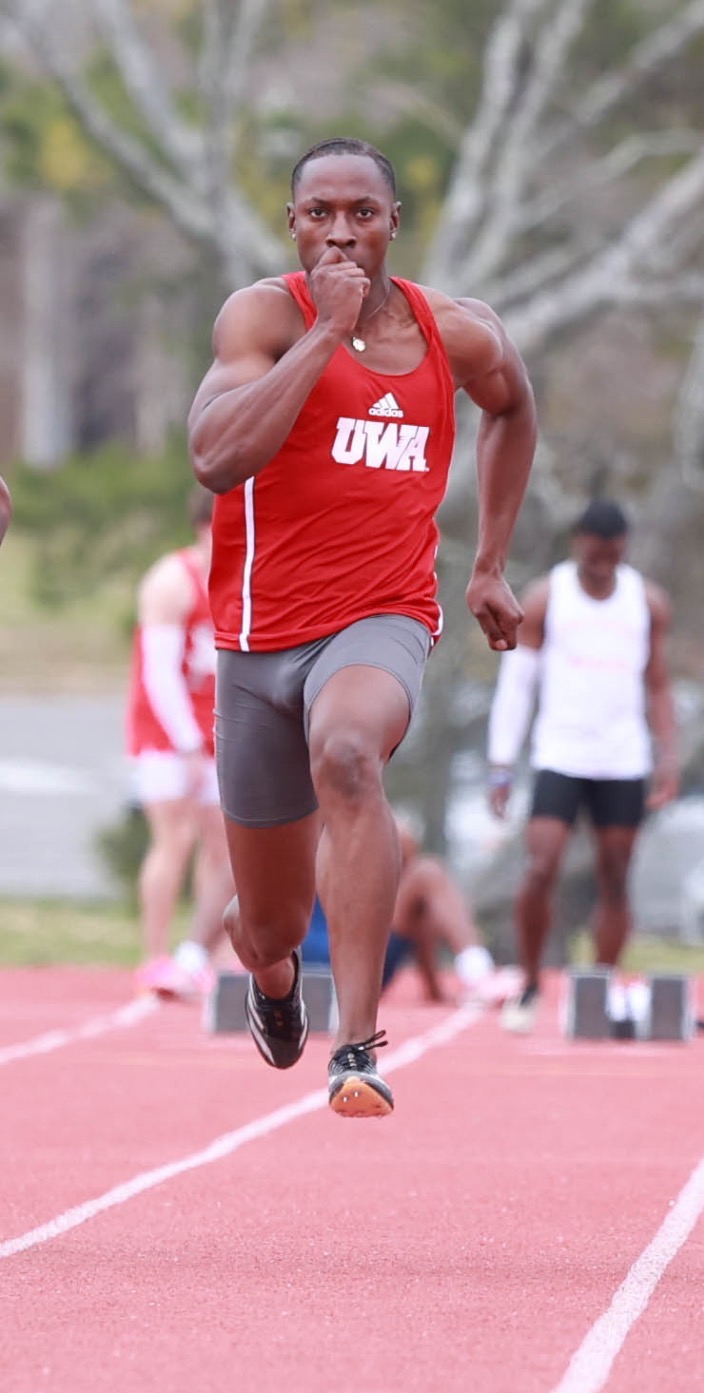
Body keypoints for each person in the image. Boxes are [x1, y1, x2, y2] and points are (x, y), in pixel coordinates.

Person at [188, 136, 536, 1118]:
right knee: (264, 923)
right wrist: (319, 340)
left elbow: (512, 407)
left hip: (380, 618)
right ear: (292, 224)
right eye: (319, 214)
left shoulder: (451, 331)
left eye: (362, 213)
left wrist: (491, 562)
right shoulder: (262, 317)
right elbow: (216, 458)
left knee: (349, 754)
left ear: (393, 223)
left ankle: (358, 1043)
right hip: (258, 641)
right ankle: (271, 974)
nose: (341, 233)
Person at [486, 499, 677, 1034]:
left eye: (612, 557)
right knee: (541, 865)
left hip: (622, 757)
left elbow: (658, 684)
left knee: (615, 876)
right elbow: (517, 685)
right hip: (561, 753)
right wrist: (501, 762)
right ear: (578, 546)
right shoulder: (549, 597)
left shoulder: (646, 602)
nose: (601, 567)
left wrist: (669, 755)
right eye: (594, 557)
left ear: (623, 551)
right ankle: (528, 982)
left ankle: (600, 983)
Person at [127, 492, 235, 999]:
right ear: (201, 527)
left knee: (225, 845)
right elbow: (159, 672)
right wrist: (188, 743)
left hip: (221, 729)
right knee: (174, 837)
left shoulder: (242, 577)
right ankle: (155, 955)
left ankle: (205, 956)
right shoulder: (172, 582)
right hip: (167, 731)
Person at [301, 821, 503, 1005]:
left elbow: (405, 842)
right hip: (315, 966)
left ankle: (468, 975)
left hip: (359, 960)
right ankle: (474, 975)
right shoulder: (297, 830)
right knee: (426, 874)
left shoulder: (351, 826)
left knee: (423, 880)